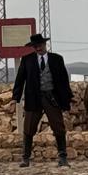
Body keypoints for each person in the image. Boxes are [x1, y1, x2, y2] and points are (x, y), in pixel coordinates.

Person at [12, 34, 72, 167]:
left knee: (58, 127)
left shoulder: (57, 59)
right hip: (34, 98)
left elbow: (63, 80)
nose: (37, 48)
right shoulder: (27, 60)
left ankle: (63, 157)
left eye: (39, 45)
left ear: (45, 45)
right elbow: (20, 79)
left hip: (52, 98)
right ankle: (25, 158)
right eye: (35, 46)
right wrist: (16, 97)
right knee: (28, 128)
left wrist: (67, 99)